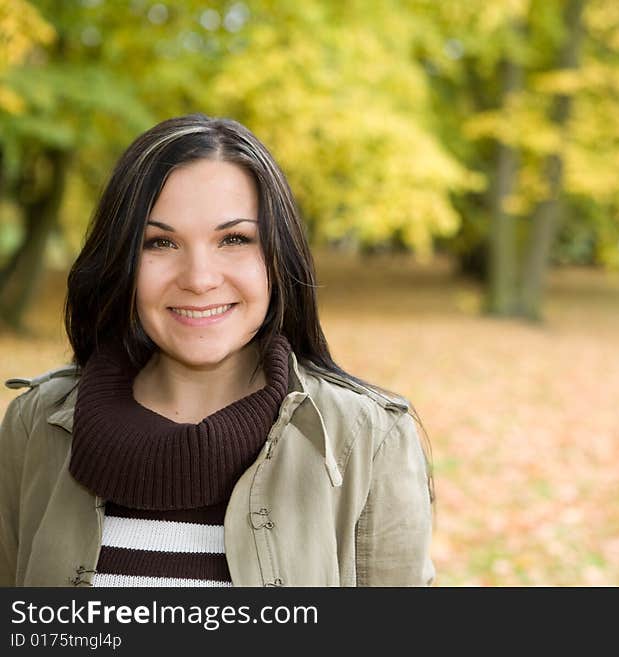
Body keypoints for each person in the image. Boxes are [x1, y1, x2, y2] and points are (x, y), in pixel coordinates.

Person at [0, 114, 435, 587]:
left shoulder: (367, 441)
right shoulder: (34, 427)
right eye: (160, 242)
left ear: (277, 255)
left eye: (234, 239)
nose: (199, 278)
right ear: (122, 260)